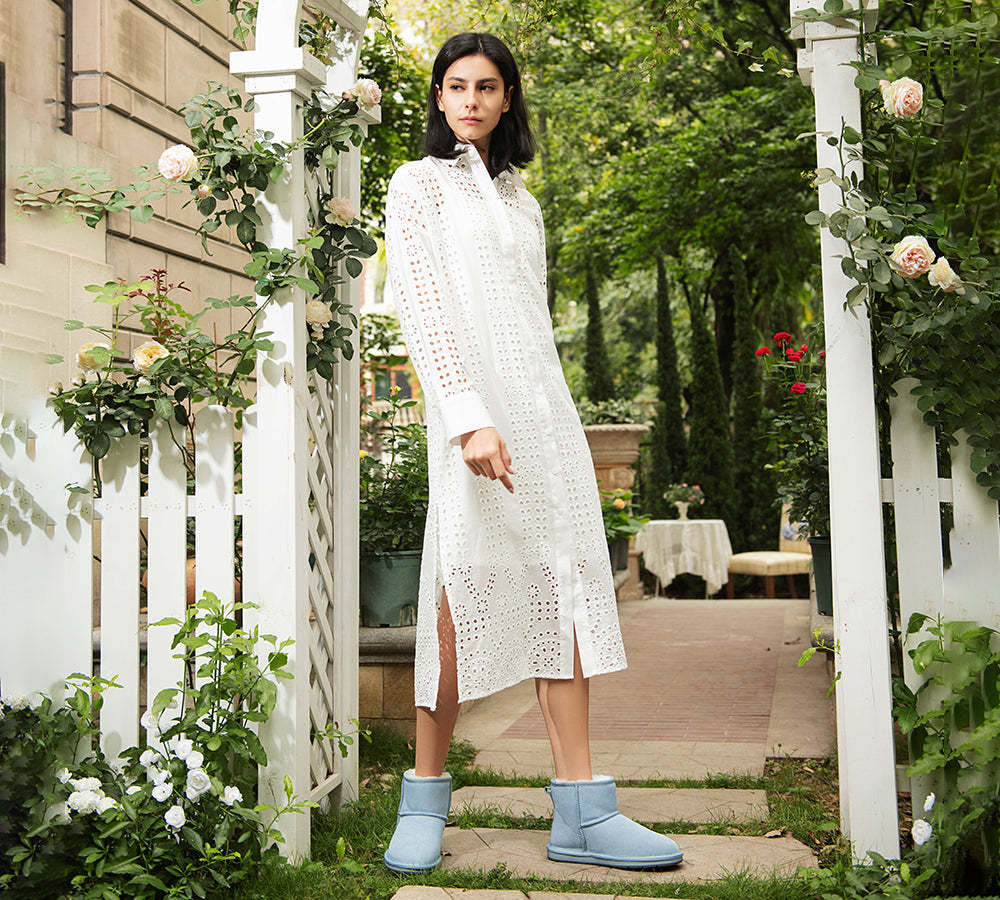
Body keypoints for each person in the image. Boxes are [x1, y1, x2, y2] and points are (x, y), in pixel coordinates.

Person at [381, 31, 683, 874]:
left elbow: (532, 325)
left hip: (543, 424)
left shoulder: (524, 202)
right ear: (438, 98)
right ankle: (424, 797)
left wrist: (552, 423)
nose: (470, 100)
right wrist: (469, 418)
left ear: (507, 98)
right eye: (455, 86)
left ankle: (583, 812)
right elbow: (423, 309)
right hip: (472, 426)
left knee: (566, 590)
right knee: (457, 594)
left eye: (486, 86)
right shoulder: (417, 186)